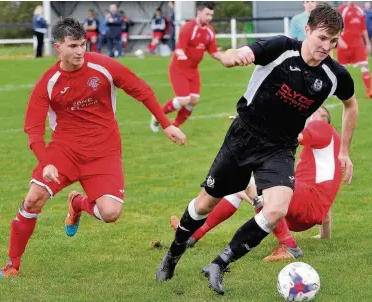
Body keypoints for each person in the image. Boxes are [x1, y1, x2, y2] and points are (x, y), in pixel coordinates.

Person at [156, 3, 358, 295]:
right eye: (322, 38)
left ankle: (219, 264)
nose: (326, 46)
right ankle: (174, 253)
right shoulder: (281, 48)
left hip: (279, 148)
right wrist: (234, 56)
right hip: (243, 137)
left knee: (276, 208)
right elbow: (233, 55)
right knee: (203, 204)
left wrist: (344, 152)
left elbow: (351, 105)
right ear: (308, 30)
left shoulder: (334, 75)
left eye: (333, 41)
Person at [0, 17, 186, 279]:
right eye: (72, 45)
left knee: (111, 213)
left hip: (104, 152)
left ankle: (78, 203)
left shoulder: (103, 66)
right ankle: (12, 265)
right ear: (58, 47)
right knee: (33, 198)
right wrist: (45, 160)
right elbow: (33, 129)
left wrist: (166, 124)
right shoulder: (48, 82)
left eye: (83, 44)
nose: (80, 51)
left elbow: (140, 89)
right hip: (64, 152)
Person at [169, 106, 341, 262]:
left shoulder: (321, 126)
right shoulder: (324, 151)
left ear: (321, 117)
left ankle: (289, 245)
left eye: (311, 113)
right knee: (238, 188)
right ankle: (192, 237)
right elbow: (324, 204)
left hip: (301, 208)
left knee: (244, 179)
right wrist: (325, 236)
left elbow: (290, 136)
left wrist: (253, 123)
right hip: (304, 216)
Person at [150, 2, 223, 133]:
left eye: (211, 15)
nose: (209, 17)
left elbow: (214, 52)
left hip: (193, 71)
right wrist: (182, 55)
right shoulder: (188, 28)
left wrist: (226, 58)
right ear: (199, 13)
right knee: (184, 101)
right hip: (179, 69)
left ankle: (175, 126)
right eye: (207, 14)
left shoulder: (210, 31)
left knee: (193, 101)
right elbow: (179, 49)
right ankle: (158, 115)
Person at [337, 1, 372, 99]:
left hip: (358, 43)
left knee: (365, 65)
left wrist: (367, 43)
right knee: (341, 70)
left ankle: (369, 91)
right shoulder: (342, 10)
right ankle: (339, 92)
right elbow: (336, 26)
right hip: (344, 43)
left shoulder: (361, 10)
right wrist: (339, 39)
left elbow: (363, 28)